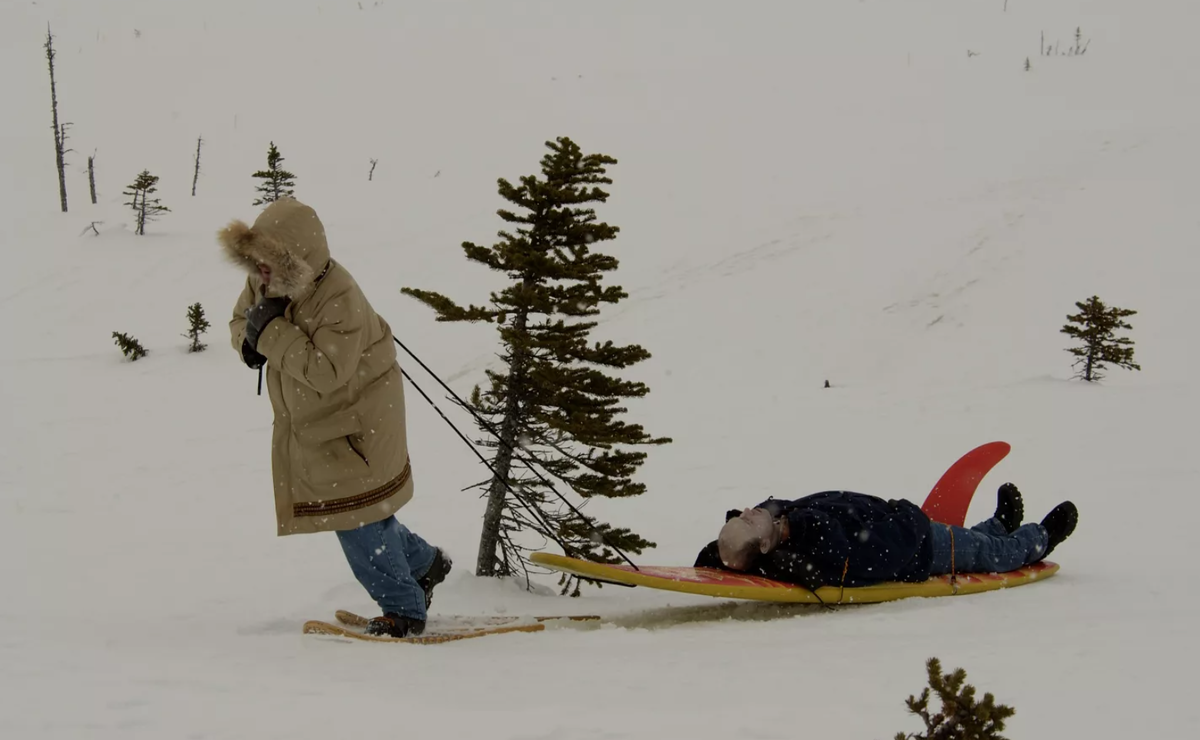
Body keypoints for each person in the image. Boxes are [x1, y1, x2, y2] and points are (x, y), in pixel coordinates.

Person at [220, 196, 451, 638]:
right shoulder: (264, 281)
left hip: (358, 419)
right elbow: (240, 319)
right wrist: (249, 341)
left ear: (296, 256)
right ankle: (424, 563)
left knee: (354, 516)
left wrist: (269, 333)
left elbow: (325, 371)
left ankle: (404, 609)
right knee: (364, 511)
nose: (259, 272)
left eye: (268, 261)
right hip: (321, 421)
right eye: (254, 261)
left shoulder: (337, 295)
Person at [694, 483, 1077, 592]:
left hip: (911, 532)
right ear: (763, 545)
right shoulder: (824, 544)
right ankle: (1039, 537)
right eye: (747, 522)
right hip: (921, 546)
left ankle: (997, 524)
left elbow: (725, 553)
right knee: (992, 555)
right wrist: (909, 515)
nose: (748, 512)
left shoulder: (784, 525)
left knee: (975, 541)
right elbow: (886, 553)